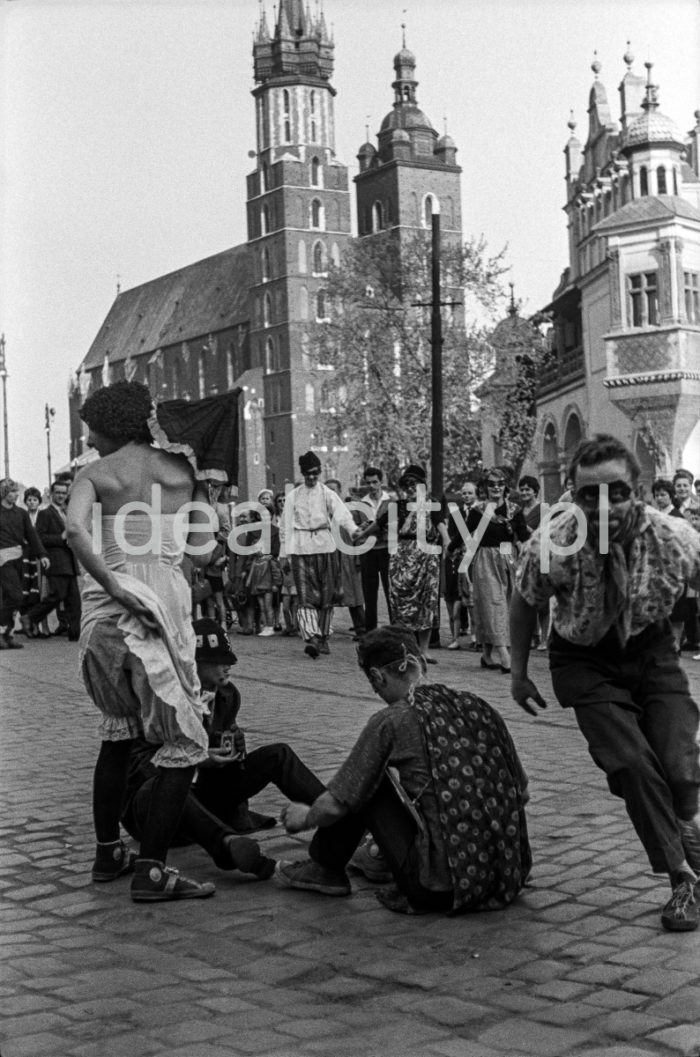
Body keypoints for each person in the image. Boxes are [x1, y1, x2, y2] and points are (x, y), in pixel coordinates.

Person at [510, 434, 700, 933]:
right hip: (584, 659)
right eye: (587, 494)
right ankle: (682, 878)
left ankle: (682, 818)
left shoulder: (674, 537)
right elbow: (525, 599)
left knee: (679, 766)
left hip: (651, 649)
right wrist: (518, 673)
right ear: (571, 495)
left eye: (616, 491)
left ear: (636, 490)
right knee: (632, 763)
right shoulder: (555, 540)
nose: (603, 505)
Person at [66, 380, 218, 903]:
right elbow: (202, 550)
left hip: (105, 614)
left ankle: (108, 851)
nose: (89, 439)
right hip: (159, 611)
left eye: (92, 429)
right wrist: (202, 498)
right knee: (181, 741)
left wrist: (111, 584)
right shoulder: (183, 472)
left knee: (117, 735)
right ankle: (152, 870)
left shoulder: (94, 474)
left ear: (111, 426)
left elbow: (74, 532)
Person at [274, 626, 531, 915]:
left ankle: (325, 867)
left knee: (370, 778)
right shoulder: (479, 706)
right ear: (419, 663)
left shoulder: (393, 720)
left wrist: (305, 817)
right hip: (504, 876)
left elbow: (336, 804)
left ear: (377, 677)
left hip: (440, 889)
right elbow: (521, 793)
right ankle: (380, 856)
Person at [122, 618, 324, 874]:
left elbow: (227, 755)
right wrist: (196, 758)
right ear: (194, 663)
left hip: (205, 797)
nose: (229, 666)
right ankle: (226, 845)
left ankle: (336, 816)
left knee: (278, 754)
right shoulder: (158, 698)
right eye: (220, 661)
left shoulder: (227, 695)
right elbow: (140, 767)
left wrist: (236, 749)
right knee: (161, 786)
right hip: (155, 810)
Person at [358, 465, 448, 661]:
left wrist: (447, 540)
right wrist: (361, 535)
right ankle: (408, 648)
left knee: (427, 602)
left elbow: (440, 523)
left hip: (427, 556)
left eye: (414, 484)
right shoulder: (397, 506)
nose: (410, 488)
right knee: (402, 603)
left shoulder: (432, 504)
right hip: (403, 556)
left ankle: (423, 650)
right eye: (406, 485)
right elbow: (378, 524)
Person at [286, 451, 360, 659]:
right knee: (305, 595)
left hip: (325, 547)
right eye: (308, 474)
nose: (311, 477)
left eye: (315, 473)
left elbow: (342, 513)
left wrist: (354, 531)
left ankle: (324, 637)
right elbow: (285, 526)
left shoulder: (327, 493)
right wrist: (284, 553)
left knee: (326, 595)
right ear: (302, 474)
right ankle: (312, 637)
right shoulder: (293, 496)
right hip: (300, 548)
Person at [466, 469, 529, 673]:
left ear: (505, 487)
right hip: (485, 559)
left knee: (506, 606)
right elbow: (464, 534)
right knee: (494, 604)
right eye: (492, 484)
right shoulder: (478, 511)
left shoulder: (514, 510)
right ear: (485, 487)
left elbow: (523, 535)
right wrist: (451, 549)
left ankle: (486, 655)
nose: (496, 488)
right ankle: (504, 655)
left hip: (509, 558)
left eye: (500, 484)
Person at [22, 479, 82, 641]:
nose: (61, 496)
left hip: (69, 562)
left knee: (74, 601)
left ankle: (75, 634)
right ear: (51, 494)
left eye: (64, 493)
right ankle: (30, 617)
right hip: (55, 562)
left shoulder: (67, 513)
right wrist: (61, 538)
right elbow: (39, 538)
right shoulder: (45, 513)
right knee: (56, 595)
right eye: (58, 493)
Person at [0, 478, 49, 649]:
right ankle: (1, 630)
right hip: (2, 560)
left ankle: (8, 635)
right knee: (16, 596)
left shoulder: (21, 513)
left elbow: (31, 535)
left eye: (15, 492)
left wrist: (42, 554)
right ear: (4, 492)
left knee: (10, 598)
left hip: (18, 558)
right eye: (11, 491)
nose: (15, 495)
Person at [326, 477, 366, 640]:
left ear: (340, 491)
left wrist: (358, 557)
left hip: (348, 557)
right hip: (328, 557)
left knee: (353, 594)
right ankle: (323, 628)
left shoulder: (351, 511)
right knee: (326, 593)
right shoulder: (321, 513)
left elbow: (360, 534)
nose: (331, 494)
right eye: (328, 491)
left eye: (334, 490)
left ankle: (362, 628)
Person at [358, 467, 392, 632]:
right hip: (368, 550)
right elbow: (355, 528)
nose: (372, 486)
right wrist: (363, 527)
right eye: (368, 483)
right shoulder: (361, 503)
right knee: (369, 591)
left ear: (381, 482)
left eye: (375, 482)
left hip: (386, 549)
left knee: (390, 589)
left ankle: (395, 626)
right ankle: (370, 629)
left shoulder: (391, 501)